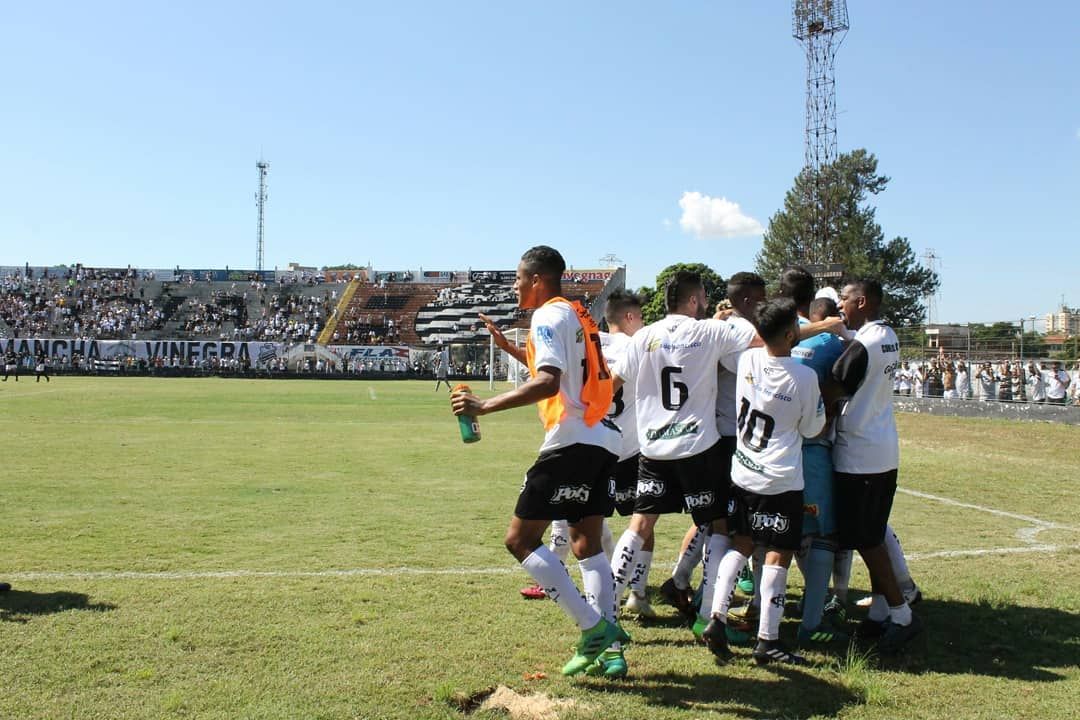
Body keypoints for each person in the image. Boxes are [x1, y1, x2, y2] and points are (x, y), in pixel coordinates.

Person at [452, 245, 630, 677]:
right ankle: (610, 653)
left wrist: (484, 406)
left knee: (519, 540)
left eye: (517, 278)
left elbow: (549, 383)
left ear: (536, 279)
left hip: (569, 441)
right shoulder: (576, 315)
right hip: (602, 438)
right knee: (587, 545)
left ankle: (595, 629)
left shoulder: (547, 315)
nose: (514, 286)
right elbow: (562, 372)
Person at [607, 270, 758, 652]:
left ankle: (604, 611)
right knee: (717, 525)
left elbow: (613, 382)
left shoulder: (643, 336)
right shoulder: (708, 331)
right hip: (698, 447)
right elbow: (762, 339)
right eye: (703, 297)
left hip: (653, 448)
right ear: (694, 300)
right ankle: (708, 615)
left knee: (640, 524)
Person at [702, 298, 825, 664]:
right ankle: (767, 640)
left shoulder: (748, 360)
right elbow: (813, 427)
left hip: (742, 472)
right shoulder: (804, 376)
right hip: (780, 479)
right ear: (791, 333)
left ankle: (716, 617)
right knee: (777, 554)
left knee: (739, 544)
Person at [831, 278, 921, 654]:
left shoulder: (862, 345)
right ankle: (881, 610)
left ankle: (901, 614)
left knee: (866, 538)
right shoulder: (888, 336)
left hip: (860, 453)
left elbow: (833, 389)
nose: (840, 307)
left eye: (845, 300)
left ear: (862, 302)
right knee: (875, 530)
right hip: (883, 448)